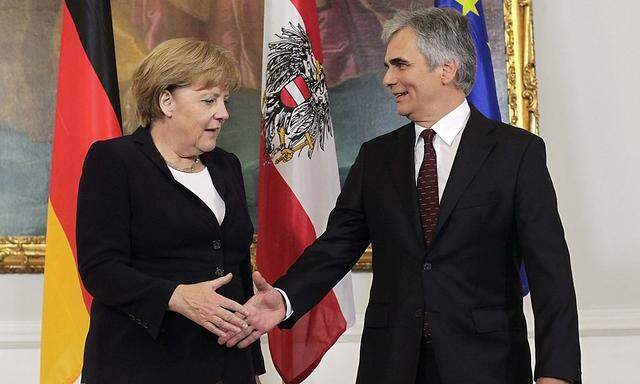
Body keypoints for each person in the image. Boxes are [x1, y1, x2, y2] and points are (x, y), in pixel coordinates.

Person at [222, 7, 581, 384]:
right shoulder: (376, 157)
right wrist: (284, 298)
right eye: (388, 66)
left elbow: (550, 272)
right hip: (392, 362)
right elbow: (336, 246)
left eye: (400, 65)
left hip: (488, 365)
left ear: (446, 68)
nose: (388, 78)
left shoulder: (516, 152)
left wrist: (557, 374)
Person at [77, 38, 264, 383]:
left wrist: (250, 364)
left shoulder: (227, 165)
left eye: (225, 100)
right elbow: (100, 268)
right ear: (166, 101)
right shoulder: (114, 160)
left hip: (226, 366)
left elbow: (235, 264)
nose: (223, 112)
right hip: (142, 364)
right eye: (209, 99)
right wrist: (175, 296)